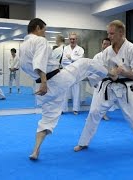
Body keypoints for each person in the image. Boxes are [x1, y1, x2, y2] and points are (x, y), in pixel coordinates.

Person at [19, 18, 116, 160]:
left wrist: (43, 83)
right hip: (55, 80)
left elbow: (27, 66)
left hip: (42, 88)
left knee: (47, 119)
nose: (44, 34)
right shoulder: (39, 40)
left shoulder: (23, 46)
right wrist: (45, 82)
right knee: (85, 63)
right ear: (38, 28)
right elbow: (38, 63)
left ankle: (35, 150)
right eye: (44, 30)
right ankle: (111, 74)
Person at [73, 20, 133, 156]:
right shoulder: (107, 51)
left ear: (121, 32)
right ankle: (83, 142)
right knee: (93, 113)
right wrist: (108, 72)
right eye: (108, 34)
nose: (109, 36)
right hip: (107, 86)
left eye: (112, 34)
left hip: (126, 87)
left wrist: (123, 72)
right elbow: (101, 68)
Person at [62, 32, 85, 115]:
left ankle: (76, 109)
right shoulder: (65, 49)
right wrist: (74, 60)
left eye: (74, 39)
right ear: (69, 39)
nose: (72, 40)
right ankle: (63, 109)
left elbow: (80, 60)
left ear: (76, 39)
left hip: (76, 73)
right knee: (64, 91)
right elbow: (63, 60)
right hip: (66, 72)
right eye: (71, 39)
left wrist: (71, 58)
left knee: (76, 91)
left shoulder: (80, 49)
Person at [91, 37, 112, 120]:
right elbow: (92, 68)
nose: (106, 46)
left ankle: (103, 114)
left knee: (106, 99)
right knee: (96, 99)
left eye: (108, 44)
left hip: (108, 81)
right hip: (99, 80)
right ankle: (92, 114)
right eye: (104, 44)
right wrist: (94, 81)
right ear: (102, 45)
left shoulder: (113, 57)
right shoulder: (97, 56)